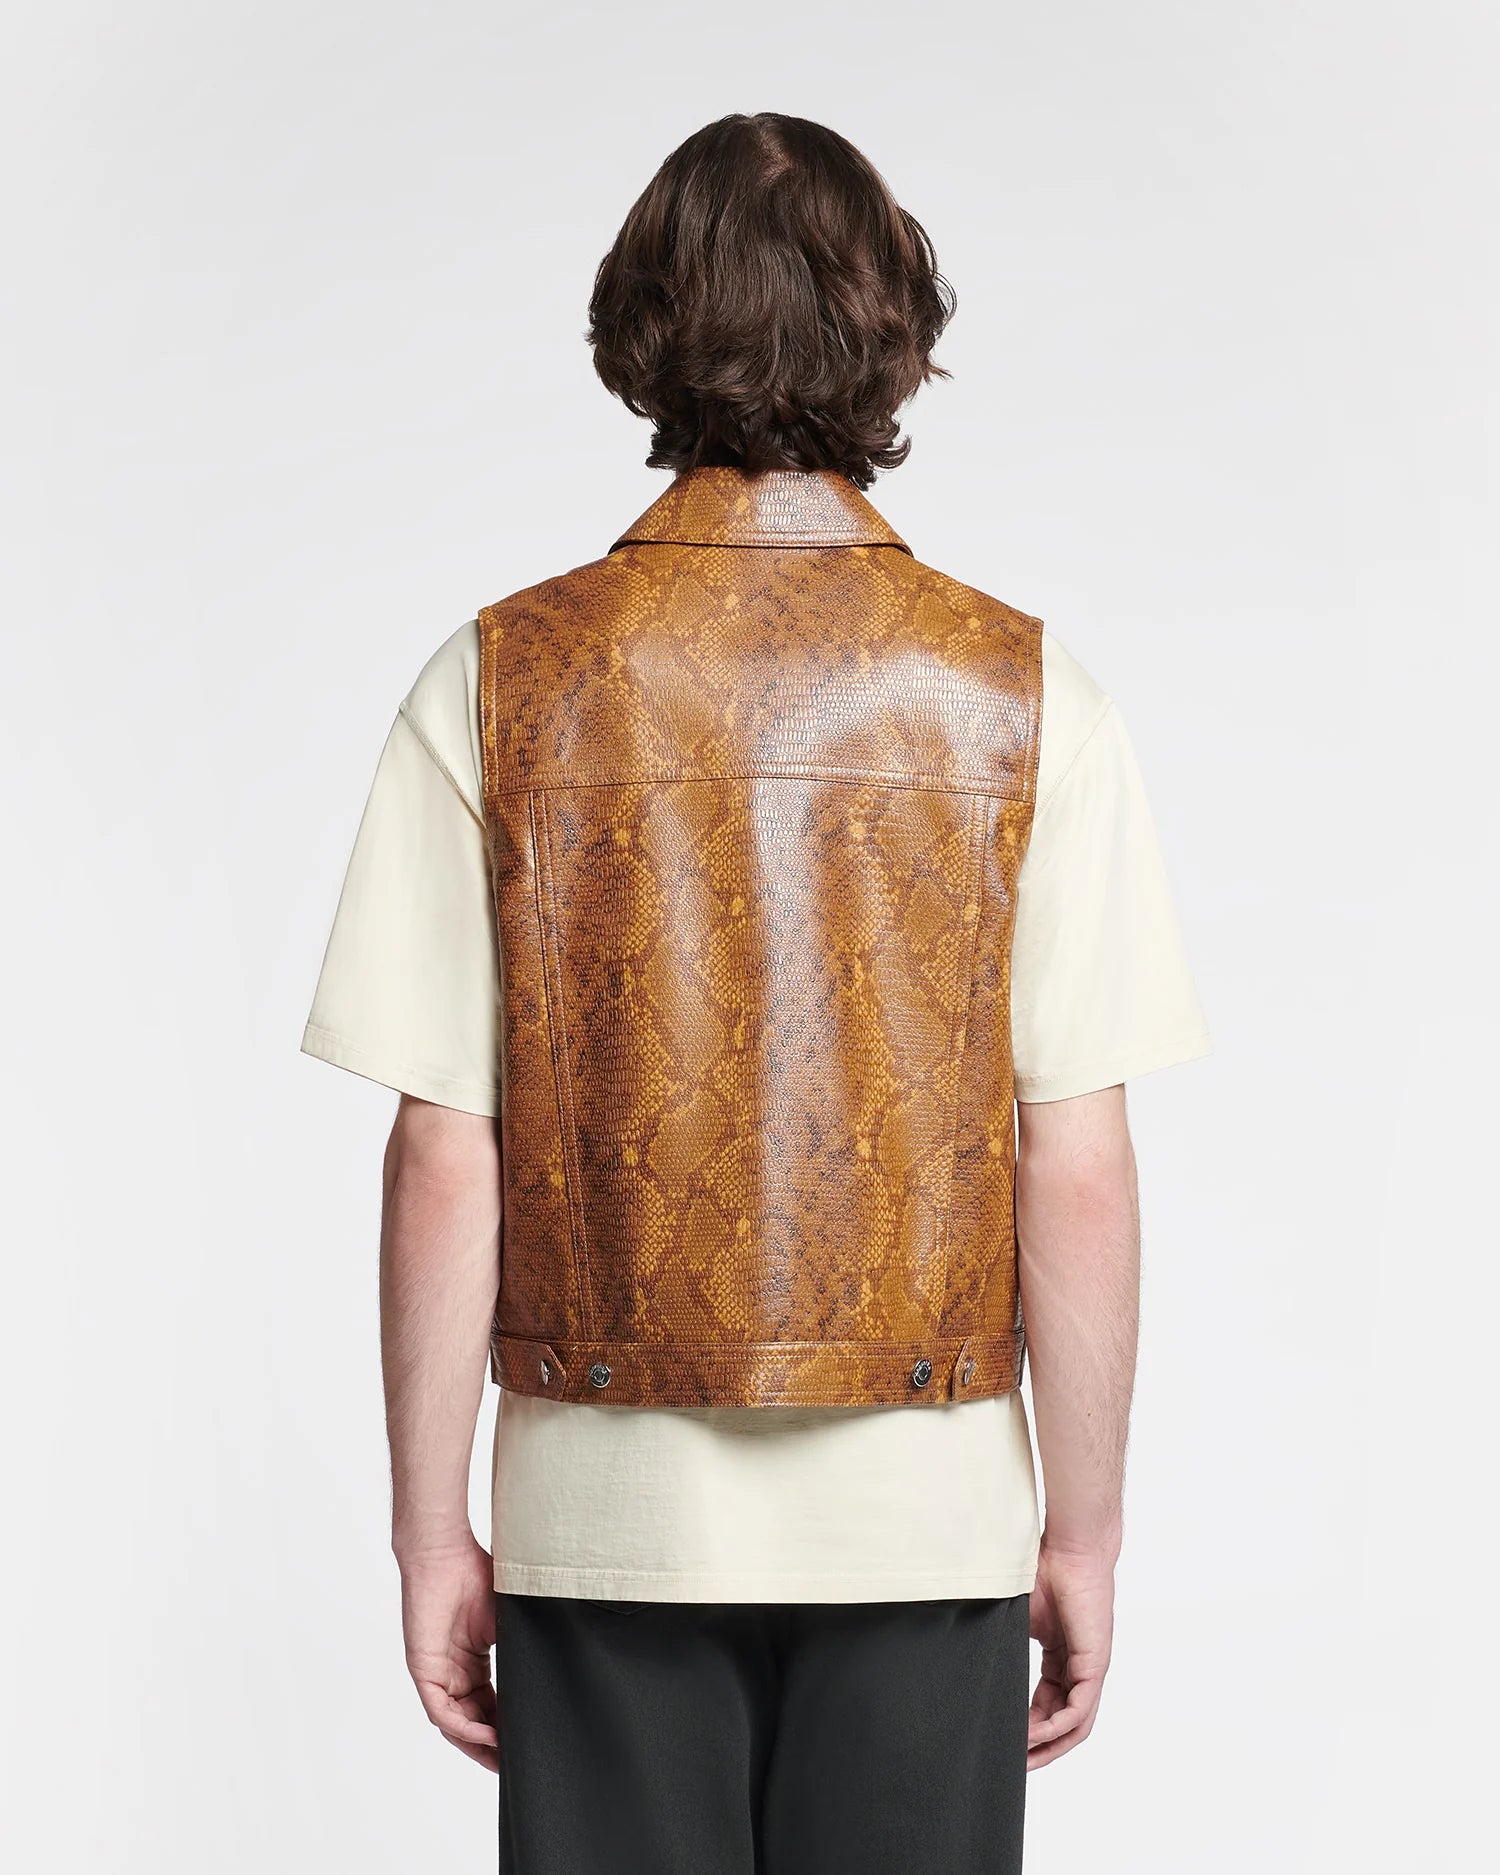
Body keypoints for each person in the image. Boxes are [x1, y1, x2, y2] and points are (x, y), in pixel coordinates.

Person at [301, 111, 1211, 1874]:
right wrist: (1082, 1533)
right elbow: (1077, 1158)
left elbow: (445, 1148)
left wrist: (431, 1533)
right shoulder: (1028, 696)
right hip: (926, 1514)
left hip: (603, 1515)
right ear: (895, 331)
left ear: (639, 327)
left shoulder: (501, 680)